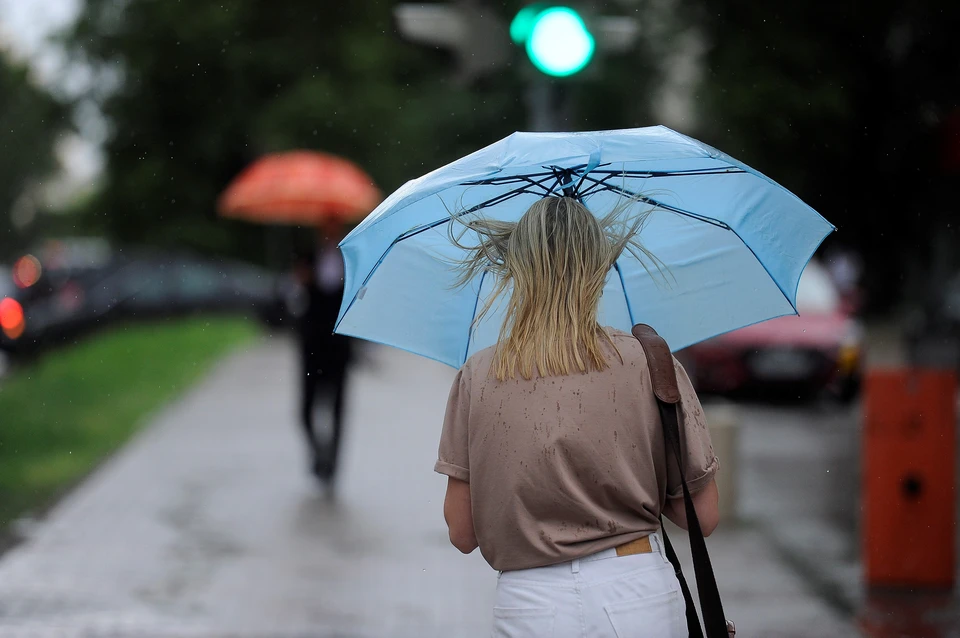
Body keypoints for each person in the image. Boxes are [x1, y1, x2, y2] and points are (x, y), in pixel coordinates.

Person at [434, 196, 720, 637]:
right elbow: (704, 515)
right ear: (599, 267)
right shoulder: (648, 361)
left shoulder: (479, 375)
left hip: (529, 603)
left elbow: (462, 532)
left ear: (517, 269)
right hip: (637, 590)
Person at [294, 226, 353, 485]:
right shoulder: (306, 257)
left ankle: (332, 466)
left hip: (339, 346)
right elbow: (295, 298)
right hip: (311, 346)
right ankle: (319, 453)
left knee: (338, 409)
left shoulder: (349, 260)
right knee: (306, 408)